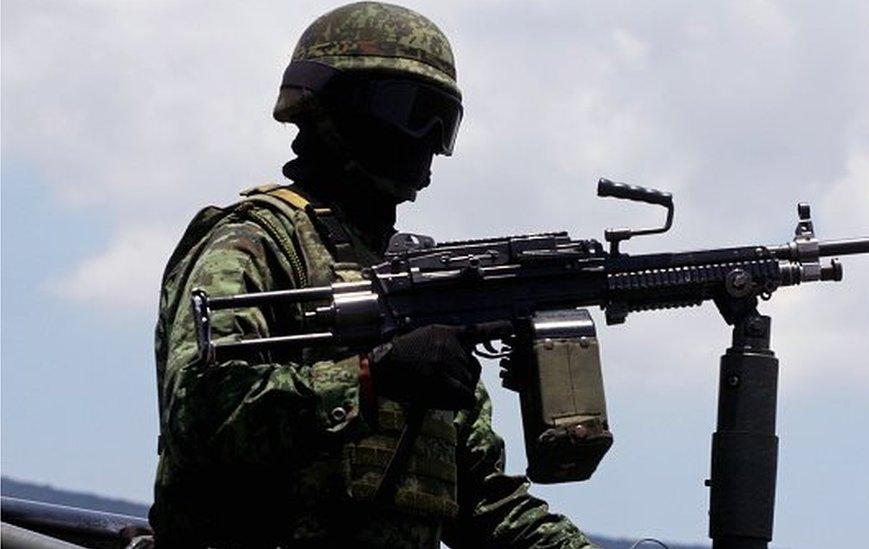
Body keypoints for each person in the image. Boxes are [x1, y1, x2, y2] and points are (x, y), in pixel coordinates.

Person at [150, 2, 596, 547]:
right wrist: (371, 377)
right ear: (332, 107)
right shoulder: (255, 245)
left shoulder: (414, 281)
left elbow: (481, 499)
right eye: (411, 109)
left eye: (443, 118)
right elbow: (200, 416)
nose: (430, 137)